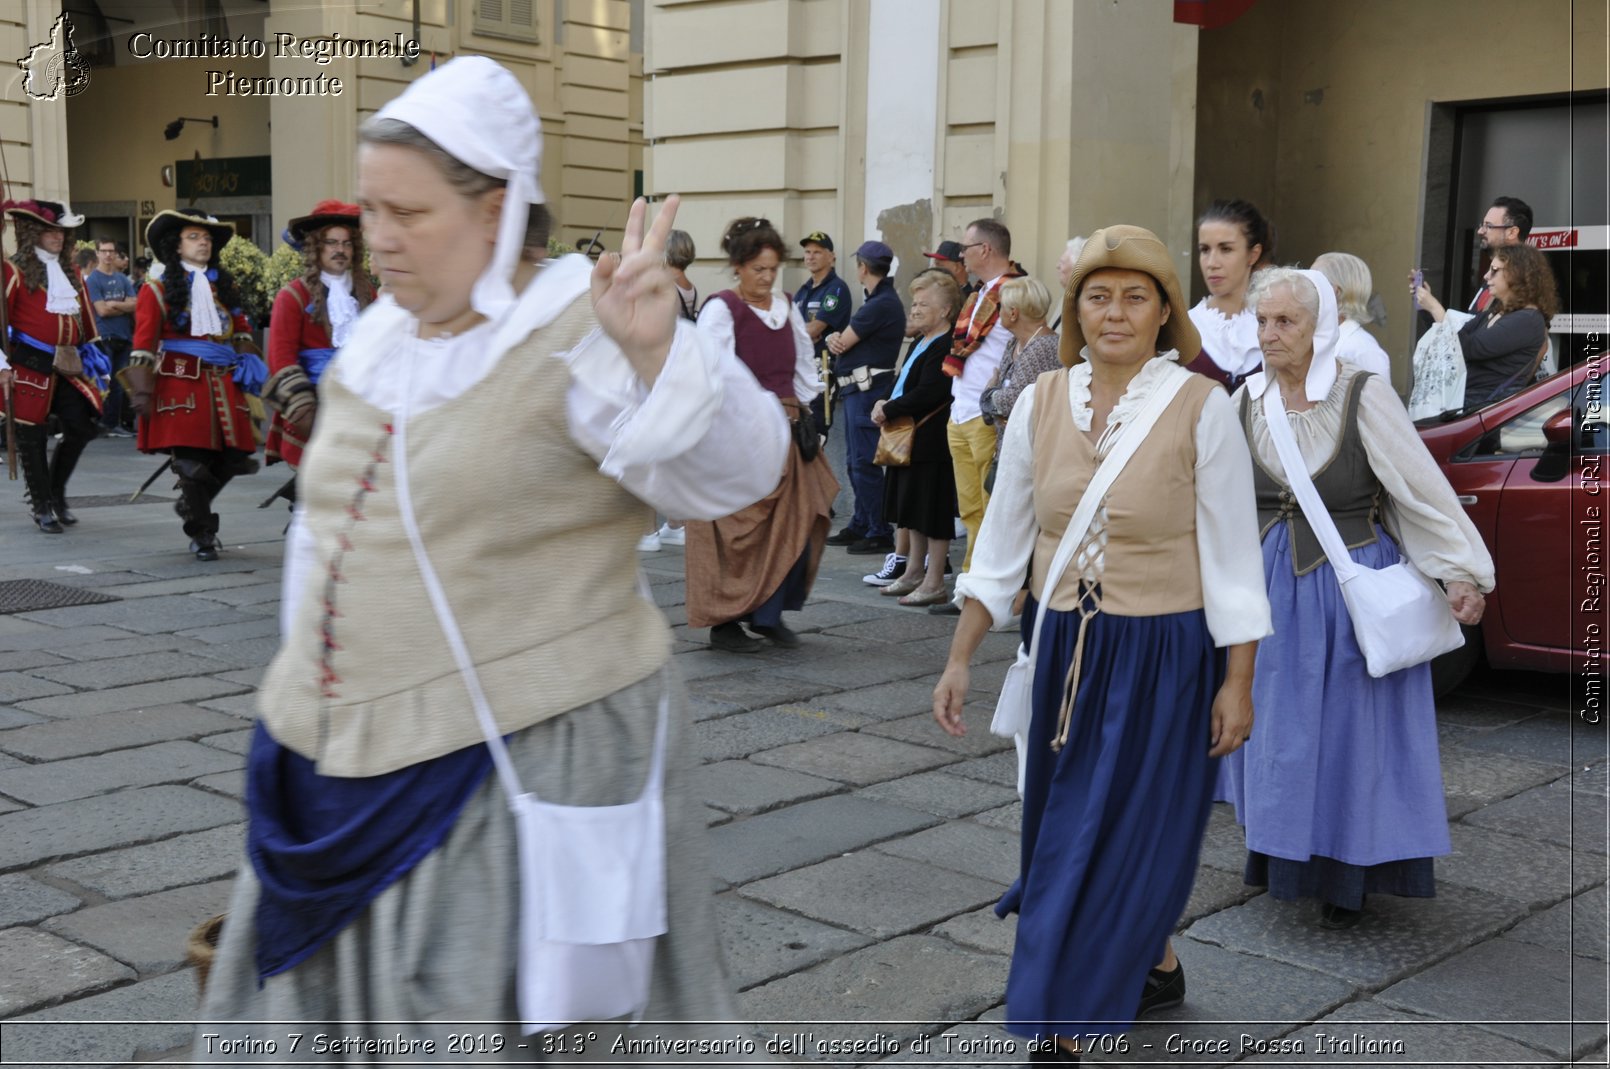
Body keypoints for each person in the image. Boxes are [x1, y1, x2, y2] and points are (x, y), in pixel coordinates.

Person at [198, 58, 789, 1053]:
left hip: (518, 758)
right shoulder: (386, 332)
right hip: (332, 765)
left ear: (497, 209)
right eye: (370, 209)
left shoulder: (581, 326)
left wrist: (659, 352)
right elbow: (327, 534)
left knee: (482, 1013)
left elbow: (735, 471)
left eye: (408, 213)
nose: (377, 238)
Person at [933, 226, 1271, 1058]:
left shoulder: (1203, 408)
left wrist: (1239, 682)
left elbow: (1232, 561)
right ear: (1076, 312)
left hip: (1166, 658)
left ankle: (1069, 1022)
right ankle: (1145, 962)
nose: (1115, 312)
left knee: (1131, 838)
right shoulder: (1041, 402)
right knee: (1062, 831)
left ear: (1164, 313)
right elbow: (1002, 544)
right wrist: (960, 654)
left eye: (1135, 296)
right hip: (1063, 658)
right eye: (1098, 295)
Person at [1219, 267, 1493, 930]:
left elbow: (1417, 486)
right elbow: (1215, 501)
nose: (1270, 334)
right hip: (1268, 595)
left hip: (1345, 592)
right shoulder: (1243, 399)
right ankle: (1279, 858)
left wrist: (1462, 570)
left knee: (1350, 737)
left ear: (1322, 328)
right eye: (1263, 321)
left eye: (1286, 321)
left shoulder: (1361, 395)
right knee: (1279, 732)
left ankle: (1351, 875)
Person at [687, 217, 839, 652]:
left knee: (799, 516)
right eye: (759, 269)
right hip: (739, 433)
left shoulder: (787, 307)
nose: (768, 277)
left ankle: (769, 614)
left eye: (773, 269)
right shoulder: (721, 310)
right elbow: (709, 376)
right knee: (738, 530)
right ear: (738, 266)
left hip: (788, 429)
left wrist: (809, 413)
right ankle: (727, 621)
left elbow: (802, 367)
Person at [121, 210, 265, 561]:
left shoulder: (224, 286)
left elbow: (242, 328)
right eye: (194, 237)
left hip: (224, 379)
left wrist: (248, 359)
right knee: (190, 464)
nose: (203, 243)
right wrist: (141, 391)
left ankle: (190, 504)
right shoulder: (156, 290)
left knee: (235, 457)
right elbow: (143, 342)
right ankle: (203, 532)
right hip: (178, 382)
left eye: (207, 238)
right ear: (176, 245)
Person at [0, 199, 108, 533]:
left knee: (81, 427)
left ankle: (57, 492)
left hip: (68, 365)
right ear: (33, 231)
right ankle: (42, 504)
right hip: (29, 365)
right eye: (50, 230)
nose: (58, 237)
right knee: (31, 437)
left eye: (62, 231)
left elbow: (87, 320)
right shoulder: (12, 271)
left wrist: (97, 357)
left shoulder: (72, 271)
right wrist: (2, 365)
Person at [934, 219, 1024, 613]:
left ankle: (989, 585)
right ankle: (972, 580)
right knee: (971, 507)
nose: (962, 255)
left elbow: (1027, 347)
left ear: (985, 250)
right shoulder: (980, 294)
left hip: (988, 416)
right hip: (962, 410)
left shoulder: (1015, 292)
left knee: (993, 506)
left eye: (966, 248)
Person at [262, 200, 375, 489]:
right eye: (332, 243)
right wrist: (305, 412)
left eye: (347, 244)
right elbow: (281, 359)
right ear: (316, 247)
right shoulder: (292, 296)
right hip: (313, 404)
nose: (340, 250)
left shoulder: (368, 294)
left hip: (361, 406)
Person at [872, 268, 959, 606]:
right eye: (915, 303)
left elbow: (931, 392)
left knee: (932, 512)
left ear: (945, 311)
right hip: (909, 439)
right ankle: (912, 573)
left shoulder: (945, 343)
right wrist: (884, 401)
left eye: (924, 304)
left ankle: (934, 580)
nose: (916, 309)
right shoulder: (920, 341)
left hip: (930, 440)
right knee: (912, 511)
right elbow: (902, 382)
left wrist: (889, 408)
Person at [824, 240, 905, 555]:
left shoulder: (880, 304)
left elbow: (841, 342)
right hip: (859, 390)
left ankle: (878, 529)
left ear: (863, 267)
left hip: (867, 390)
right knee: (855, 462)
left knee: (864, 464)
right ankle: (862, 522)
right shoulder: (880, 300)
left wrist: (834, 338)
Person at [1413, 241, 1557, 411]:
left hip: (1484, 415)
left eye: (1495, 271)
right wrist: (1426, 307)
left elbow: (1467, 347)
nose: (1486, 276)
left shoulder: (1529, 320)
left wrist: (1435, 307)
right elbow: (1453, 336)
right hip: (1466, 406)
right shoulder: (1498, 311)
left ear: (1517, 274)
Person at [639, 227, 700, 551]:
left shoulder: (662, 287)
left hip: (658, 376)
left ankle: (648, 531)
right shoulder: (689, 288)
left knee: (648, 453)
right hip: (681, 377)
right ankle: (676, 524)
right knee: (673, 455)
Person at [1187, 199, 1275, 393]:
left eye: (1225, 249)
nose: (1212, 263)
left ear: (1253, 254)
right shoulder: (1184, 328)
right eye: (1205, 250)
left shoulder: (1274, 326)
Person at [794, 231, 852, 439]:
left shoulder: (836, 289)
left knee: (816, 431)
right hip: (801, 368)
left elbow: (815, 329)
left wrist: (804, 331)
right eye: (807, 252)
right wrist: (803, 332)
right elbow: (796, 329)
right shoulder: (803, 290)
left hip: (823, 369)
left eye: (817, 252)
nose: (810, 256)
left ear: (831, 256)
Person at [85, 236, 138, 437]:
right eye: (104, 251)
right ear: (97, 253)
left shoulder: (123, 278)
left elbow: (136, 304)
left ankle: (112, 423)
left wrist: (114, 304)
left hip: (124, 337)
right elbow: (102, 311)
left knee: (120, 384)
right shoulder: (93, 280)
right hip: (104, 337)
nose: (108, 255)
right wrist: (123, 305)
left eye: (111, 251)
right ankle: (101, 423)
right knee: (104, 383)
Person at [1312, 251, 1392, 380]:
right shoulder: (1317, 337)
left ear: (1335, 292)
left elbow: (1380, 398)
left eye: (1312, 283)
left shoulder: (1362, 349)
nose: (1303, 289)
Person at [1466, 196, 1533, 313]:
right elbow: (1469, 324)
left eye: (1489, 226)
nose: (1480, 231)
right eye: (1482, 225)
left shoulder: (1522, 282)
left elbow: (1481, 330)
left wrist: (1433, 307)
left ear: (1512, 232)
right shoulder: (1492, 276)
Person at [1048, 237, 1086, 332]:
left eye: (1062, 263)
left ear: (1076, 269)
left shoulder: (1084, 302)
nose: (1057, 266)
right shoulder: (1066, 297)